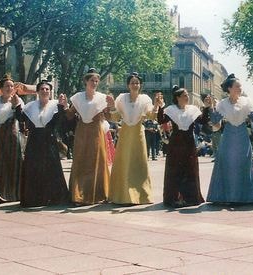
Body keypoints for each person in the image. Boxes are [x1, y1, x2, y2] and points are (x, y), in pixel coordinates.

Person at [207, 73, 253, 204]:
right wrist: (210, 107)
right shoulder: (222, 104)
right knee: (228, 163)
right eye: (237, 86)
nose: (240, 88)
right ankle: (227, 196)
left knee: (244, 163)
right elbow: (216, 120)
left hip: (243, 135)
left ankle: (247, 195)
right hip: (228, 135)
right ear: (229, 89)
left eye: (240, 86)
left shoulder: (246, 101)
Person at [16, 81, 70, 207]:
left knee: (51, 168)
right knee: (33, 167)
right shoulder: (30, 106)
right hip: (34, 140)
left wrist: (63, 106)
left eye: (47, 89)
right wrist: (17, 105)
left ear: (50, 92)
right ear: (38, 91)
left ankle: (53, 197)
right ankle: (34, 198)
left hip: (49, 140)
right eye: (42, 89)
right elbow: (21, 118)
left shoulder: (56, 105)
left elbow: (62, 121)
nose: (45, 91)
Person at [157, 85, 211, 207]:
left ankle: (191, 197)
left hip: (189, 143)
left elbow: (202, 121)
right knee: (175, 170)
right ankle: (173, 198)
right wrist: (160, 106)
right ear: (178, 97)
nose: (187, 97)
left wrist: (207, 107)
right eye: (184, 95)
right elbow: (161, 120)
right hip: (176, 143)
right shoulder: (171, 109)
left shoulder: (192, 109)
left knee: (190, 169)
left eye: (187, 95)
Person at [108, 72, 158, 205]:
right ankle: (122, 195)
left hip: (138, 133)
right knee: (123, 162)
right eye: (132, 83)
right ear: (128, 85)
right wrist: (112, 106)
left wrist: (157, 105)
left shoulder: (145, 99)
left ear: (140, 85)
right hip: (124, 133)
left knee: (139, 162)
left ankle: (141, 195)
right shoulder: (121, 98)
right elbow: (115, 118)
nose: (135, 85)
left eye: (137, 83)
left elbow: (151, 116)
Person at [66, 68, 111, 205]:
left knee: (98, 159)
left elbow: (109, 117)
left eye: (97, 81)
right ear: (86, 81)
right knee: (80, 159)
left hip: (96, 130)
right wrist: (63, 106)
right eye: (92, 80)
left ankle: (99, 193)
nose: (95, 83)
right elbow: (69, 115)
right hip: (81, 131)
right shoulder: (78, 97)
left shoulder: (102, 97)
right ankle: (79, 195)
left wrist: (110, 106)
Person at [0, 75, 24, 203]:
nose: (9, 88)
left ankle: (13, 193)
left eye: (11, 86)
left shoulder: (17, 100)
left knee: (14, 161)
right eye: (7, 86)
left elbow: (21, 117)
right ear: (1, 88)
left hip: (12, 132)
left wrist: (15, 106)